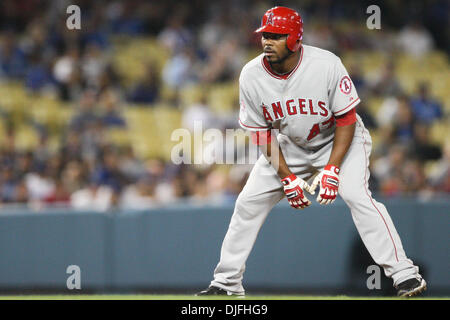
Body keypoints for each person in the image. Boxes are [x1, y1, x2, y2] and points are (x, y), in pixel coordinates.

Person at [197, 7, 426, 298]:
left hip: (341, 140)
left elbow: (346, 119)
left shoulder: (325, 64)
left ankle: (405, 274)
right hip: (291, 146)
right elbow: (261, 132)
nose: (268, 41)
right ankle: (226, 283)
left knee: (358, 196)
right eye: (265, 34)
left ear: (294, 39)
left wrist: (331, 169)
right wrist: (287, 177)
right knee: (247, 203)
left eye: (277, 36)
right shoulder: (251, 75)